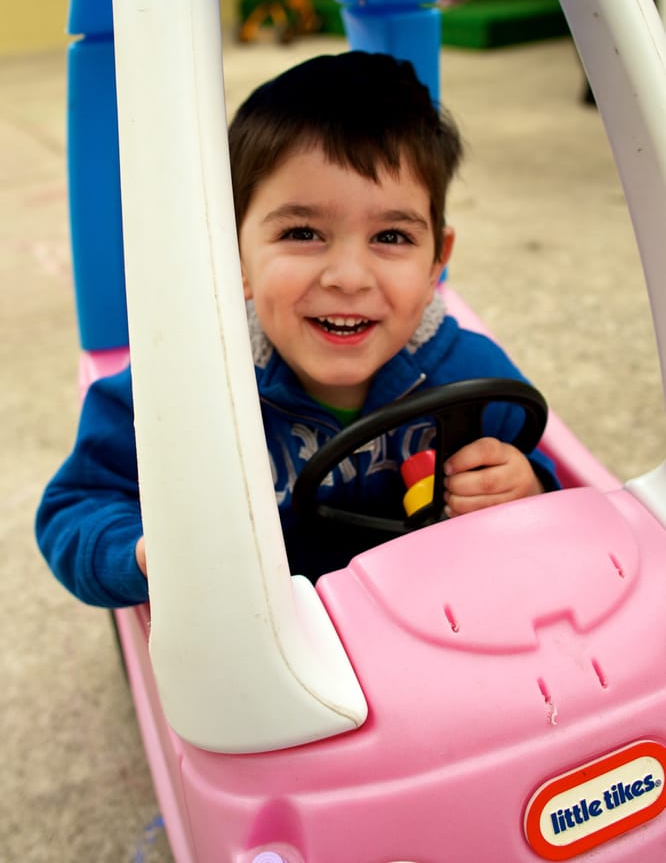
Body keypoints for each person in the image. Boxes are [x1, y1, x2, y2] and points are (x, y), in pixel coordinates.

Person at [36, 51, 559, 607]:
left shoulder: (471, 377)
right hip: (258, 640)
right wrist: (146, 553)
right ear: (232, 255)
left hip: (427, 629)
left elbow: (548, 490)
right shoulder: (182, 386)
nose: (349, 277)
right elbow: (78, 504)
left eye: (392, 237)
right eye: (304, 233)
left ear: (436, 261)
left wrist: (523, 489)